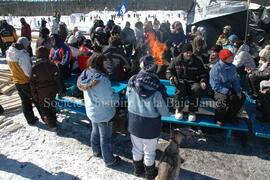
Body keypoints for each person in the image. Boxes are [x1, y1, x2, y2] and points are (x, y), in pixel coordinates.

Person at [126, 55, 169, 180]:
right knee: (149, 152)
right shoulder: (158, 87)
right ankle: (149, 174)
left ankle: (137, 170)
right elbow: (164, 111)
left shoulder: (132, 80)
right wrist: (167, 112)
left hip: (133, 121)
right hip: (150, 125)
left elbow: (128, 98)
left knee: (136, 148)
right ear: (154, 68)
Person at [77, 53, 121, 167]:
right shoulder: (101, 80)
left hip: (92, 110)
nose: (107, 64)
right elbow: (109, 100)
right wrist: (116, 96)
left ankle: (96, 151)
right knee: (105, 137)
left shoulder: (86, 73)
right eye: (105, 62)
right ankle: (109, 160)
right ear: (100, 63)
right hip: (103, 113)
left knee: (95, 131)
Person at [166, 44, 208, 122]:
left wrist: (203, 81)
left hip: (193, 82)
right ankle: (179, 109)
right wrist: (171, 77)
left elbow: (203, 74)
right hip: (181, 81)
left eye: (190, 52)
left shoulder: (197, 61)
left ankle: (192, 111)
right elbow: (169, 71)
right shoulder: (176, 60)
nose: (189, 54)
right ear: (183, 52)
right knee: (180, 88)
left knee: (197, 88)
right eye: (187, 52)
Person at [6, 37, 42, 125]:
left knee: (25, 101)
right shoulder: (22, 55)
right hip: (26, 81)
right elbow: (28, 71)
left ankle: (30, 120)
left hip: (17, 81)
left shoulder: (9, 52)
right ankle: (46, 118)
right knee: (37, 100)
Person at [30, 46, 65, 130]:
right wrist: (60, 88)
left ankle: (51, 124)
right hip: (52, 89)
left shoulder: (35, 67)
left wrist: (34, 93)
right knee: (51, 105)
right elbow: (57, 78)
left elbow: (32, 82)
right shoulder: (52, 65)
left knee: (44, 107)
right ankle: (53, 121)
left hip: (41, 90)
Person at [210, 49, 245, 126]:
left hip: (228, 88)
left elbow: (236, 80)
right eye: (231, 57)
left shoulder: (233, 67)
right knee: (222, 100)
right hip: (217, 90)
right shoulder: (216, 69)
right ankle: (219, 118)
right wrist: (227, 92)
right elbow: (215, 85)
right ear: (224, 59)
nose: (233, 59)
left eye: (232, 57)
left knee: (241, 97)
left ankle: (230, 117)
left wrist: (237, 91)